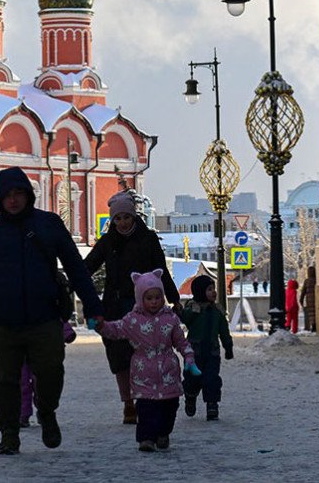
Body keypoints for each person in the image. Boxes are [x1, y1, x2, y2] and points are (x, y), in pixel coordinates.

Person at [0, 167, 104, 456]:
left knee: (50, 374)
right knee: (5, 381)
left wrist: (94, 308)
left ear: (28, 195)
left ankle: (46, 412)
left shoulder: (49, 224)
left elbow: (76, 268)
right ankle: (9, 433)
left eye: (18, 193)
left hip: (44, 319)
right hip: (3, 322)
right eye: (7, 195)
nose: (13, 200)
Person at [84, 191, 180, 424]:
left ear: (134, 216)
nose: (122, 223)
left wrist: (174, 298)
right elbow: (88, 266)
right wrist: (69, 283)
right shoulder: (108, 242)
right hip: (115, 305)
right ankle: (128, 402)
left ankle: (145, 399)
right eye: (117, 219)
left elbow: (161, 269)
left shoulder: (147, 239)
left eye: (126, 217)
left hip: (145, 305)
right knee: (118, 356)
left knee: (146, 352)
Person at [97, 270, 199, 452]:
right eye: (149, 298)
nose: (153, 302)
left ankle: (163, 433)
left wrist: (189, 357)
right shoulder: (132, 320)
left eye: (157, 298)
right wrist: (101, 326)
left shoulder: (171, 319)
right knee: (145, 409)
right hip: (143, 374)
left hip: (168, 373)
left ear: (162, 298)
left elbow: (181, 341)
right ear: (140, 299)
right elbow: (115, 329)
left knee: (170, 407)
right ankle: (146, 438)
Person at [180, 275, 233, 421]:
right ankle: (190, 397)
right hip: (193, 353)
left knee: (212, 379)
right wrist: (190, 311)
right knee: (192, 379)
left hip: (212, 352)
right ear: (200, 291)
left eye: (213, 289)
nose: (213, 292)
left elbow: (224, 330)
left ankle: (212, 405)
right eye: (209, 289)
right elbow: (184, 319)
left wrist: (228, 346)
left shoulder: (217, 311)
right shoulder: (193, 307)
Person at [20, 319, 77, 428]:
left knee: (41, 383)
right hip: (22, 349)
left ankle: (43, 411)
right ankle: (23, 414)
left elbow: (56, 316)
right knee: (23, 383)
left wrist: (66, 332)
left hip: (41, 348)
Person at [300, 265, 317, 333]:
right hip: (316, 299)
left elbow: (303, 291)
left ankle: (313, 325)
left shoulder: (307, 281)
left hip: (309, 300)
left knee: (311, 313)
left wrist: (301, 299)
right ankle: (315, 325)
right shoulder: (317, 280)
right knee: (315, 312)